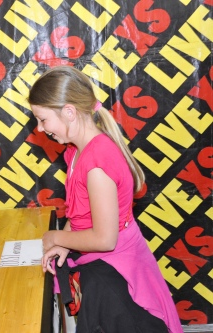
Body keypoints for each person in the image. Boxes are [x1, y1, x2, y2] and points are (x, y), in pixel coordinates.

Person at [27, 66, 182, 333]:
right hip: (104, 268)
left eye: (43, 120)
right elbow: (79, 216)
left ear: (69, 112)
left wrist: (55, 238)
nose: (40, 129)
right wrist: (64, 242)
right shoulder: (74, 153)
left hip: (119, 272)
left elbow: (104, 239)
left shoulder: (97, 163)